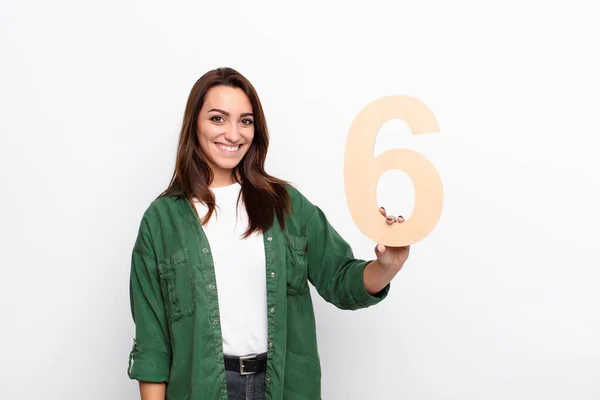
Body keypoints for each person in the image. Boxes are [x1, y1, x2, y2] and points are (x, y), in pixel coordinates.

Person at [127, 67, 410, 400]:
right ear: (194, 125)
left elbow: (341, 280)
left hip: (284, 387)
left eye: (245, 121)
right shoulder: (161, 221)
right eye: (218, 119)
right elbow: (153, 344)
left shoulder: (286, 205)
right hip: (202, 390)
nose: (233, 134)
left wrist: (388, 264)